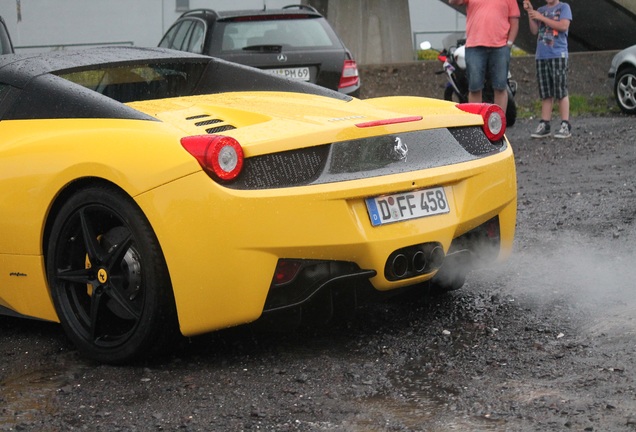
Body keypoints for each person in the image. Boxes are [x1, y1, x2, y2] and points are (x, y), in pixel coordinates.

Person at [448, 0, 520, 114]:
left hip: (500, 47)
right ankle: (476, 123)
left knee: (500, 87)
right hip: (475, 46)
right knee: (475, 87)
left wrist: (509, 44)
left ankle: (497, 124)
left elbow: (514, 21)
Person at [524, 0, 573, 139]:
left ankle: (565, 123)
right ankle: (545, 123)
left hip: (558, 54)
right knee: (546, 92)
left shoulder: (564, 7)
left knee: (560, 90)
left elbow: (563, 26)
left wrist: (541, 17)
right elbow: (534, 30)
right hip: (542, 55)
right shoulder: (540, 9)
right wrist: (530, 12)